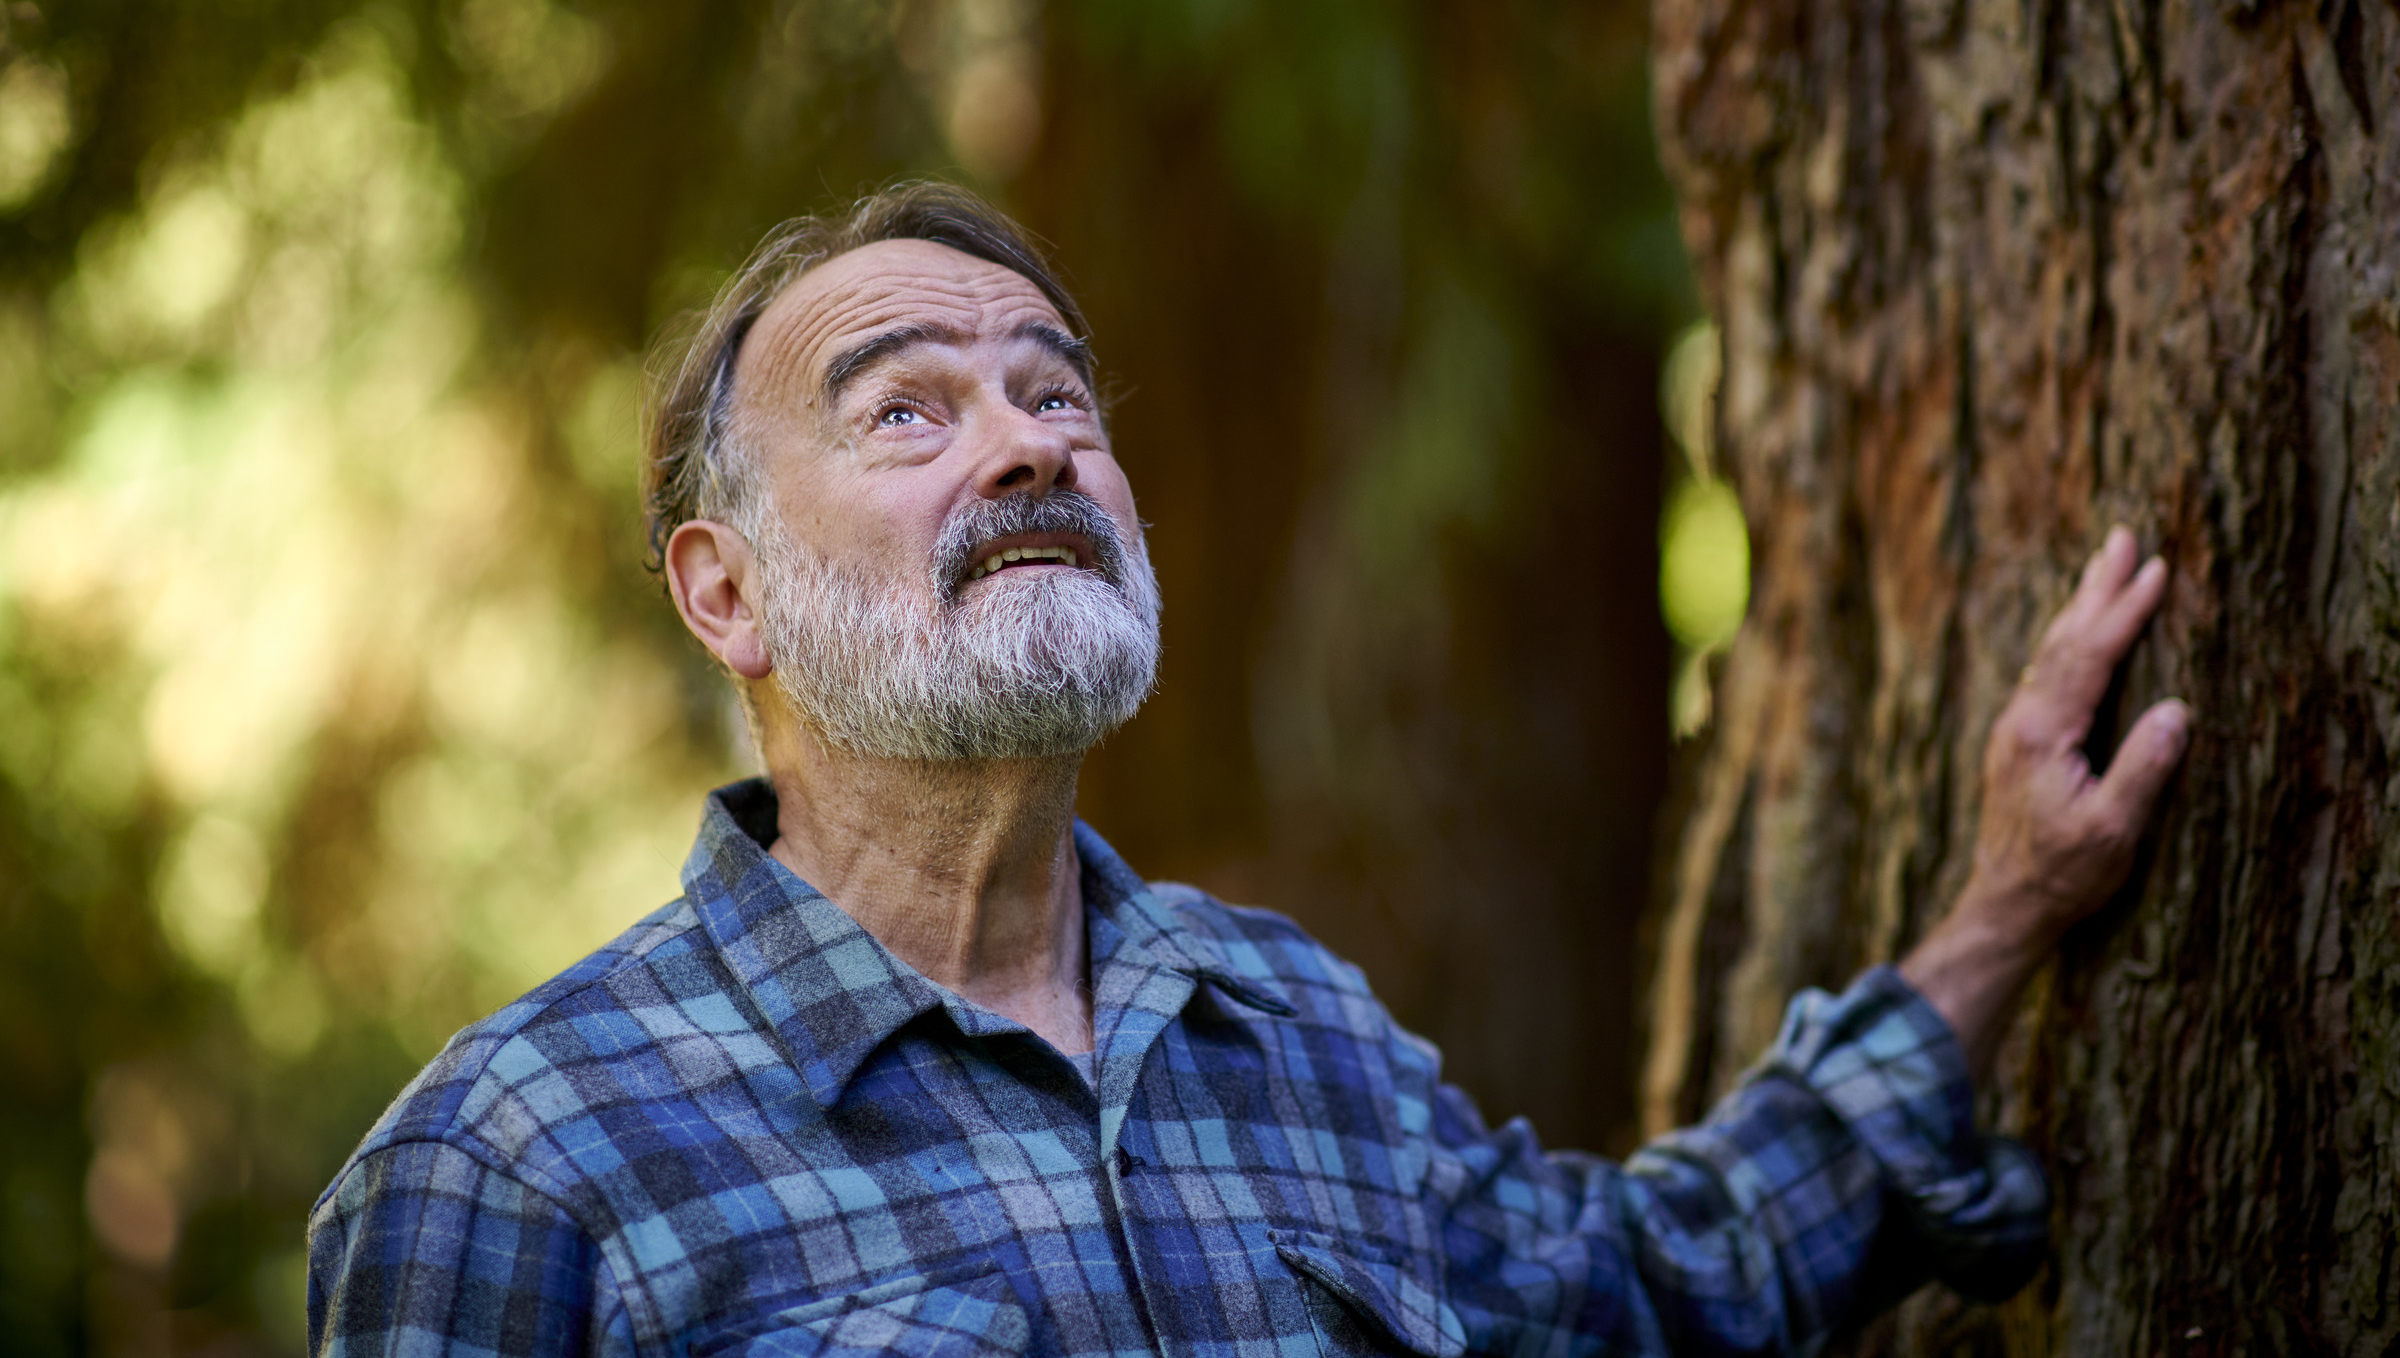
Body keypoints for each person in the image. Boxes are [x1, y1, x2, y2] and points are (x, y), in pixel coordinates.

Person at [307, 182, 2191, 1356]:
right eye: (910, 410)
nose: (1030, 447)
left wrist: (2009, 910)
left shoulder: (1286, 1025)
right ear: (729, 596)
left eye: (1056, 396)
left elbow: (1657, 1291)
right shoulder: (520, 1168)